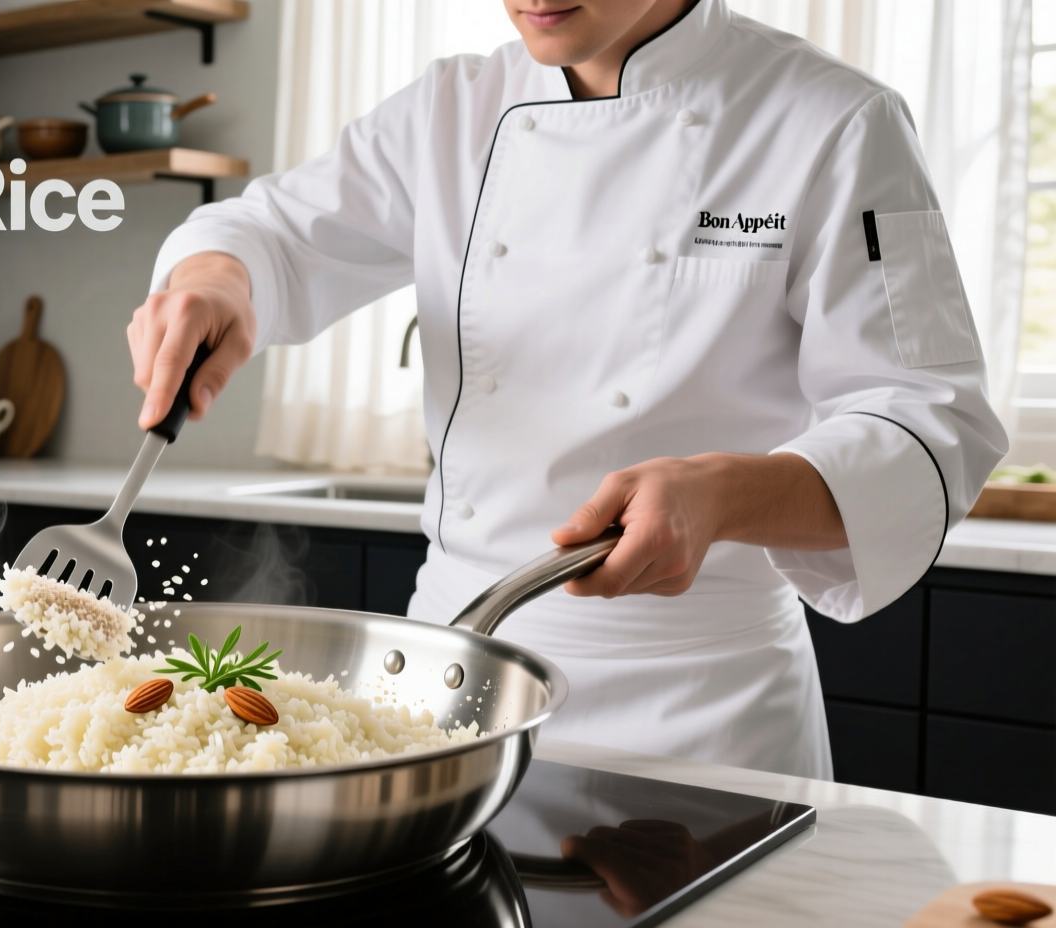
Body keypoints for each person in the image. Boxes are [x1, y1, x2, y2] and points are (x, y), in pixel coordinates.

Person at [124, 0, 1007, 778]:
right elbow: (270, 231)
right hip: (446, 681)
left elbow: (931, 424)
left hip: (701, 708)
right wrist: (218, 280)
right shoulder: (451, 109)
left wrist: (723, 493)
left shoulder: (834, 121)